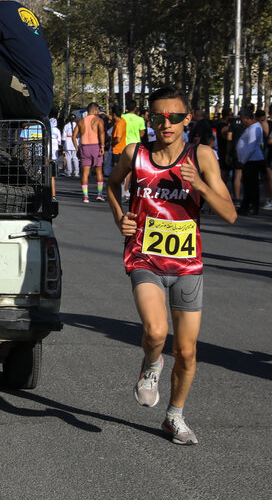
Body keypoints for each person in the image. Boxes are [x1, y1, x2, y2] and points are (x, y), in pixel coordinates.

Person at [106, 85, 236, 446]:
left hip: (187, 264)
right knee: (156, 332)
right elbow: (113, 185)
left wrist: (202, 187)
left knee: (188, 351)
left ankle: (175, 417)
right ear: (149, 118)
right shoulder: (136, 154)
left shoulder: (202, 156)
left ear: (187, 119)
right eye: (160, 117)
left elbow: (230, 215)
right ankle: (151, 365)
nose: (167, 123)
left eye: (175, 117)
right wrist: (120, 218)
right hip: (144, 257)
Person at [235, 108, 264, 215]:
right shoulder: (252, 127)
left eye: (241, 119)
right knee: (248, 185)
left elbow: (251, 146)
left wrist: (242, 160)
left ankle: (252, 206)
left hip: (252, 160)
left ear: (247, 118)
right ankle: (246, 206)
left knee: (251, 185)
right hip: (249, 160)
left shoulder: (254, 128)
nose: (241, 121)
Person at [75, 103, 106, 202]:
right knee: (98, 171)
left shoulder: (80, 121)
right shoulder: (98, 120)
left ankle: (85, 196)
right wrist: (102, 146)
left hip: (84, 147)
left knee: (85, 173)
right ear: (95, 110)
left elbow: (73, 136)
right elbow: (101, 133)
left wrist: (77, 149)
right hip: (95, 146)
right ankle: (99, 194)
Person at [110, 105, 128, 196]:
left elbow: (118, 138)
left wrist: (111, 143)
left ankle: (121, 192)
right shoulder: (123, 121)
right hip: (122, 149)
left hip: (118, 150)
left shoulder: (119, 124)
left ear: (114, 114)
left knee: (118, 171)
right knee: (121, 171)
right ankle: (122, 191)